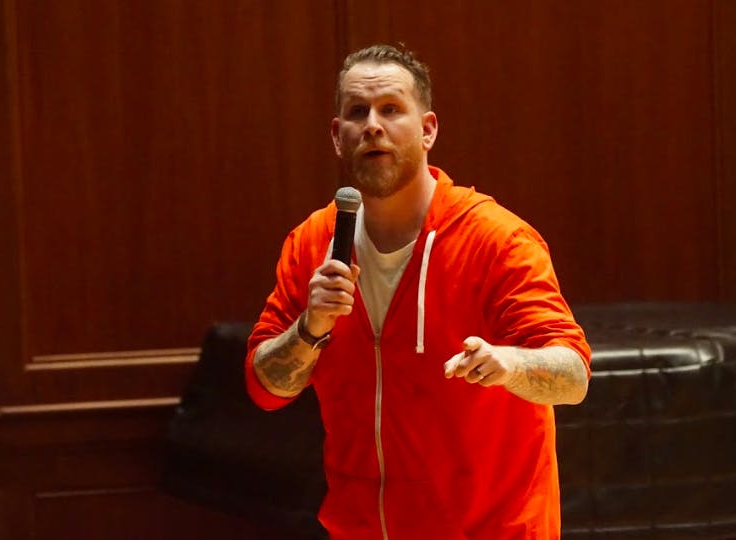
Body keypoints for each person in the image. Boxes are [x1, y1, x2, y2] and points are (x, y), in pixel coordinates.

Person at [245, 44, 591, 540]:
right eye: (357, 112)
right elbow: (265, 389)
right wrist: (310, 329)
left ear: (428, 130)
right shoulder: (311, 243)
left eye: (390, 109)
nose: (372, 126)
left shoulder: (496, 240)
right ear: (337, 136)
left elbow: (573, 376)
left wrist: (510, 364)